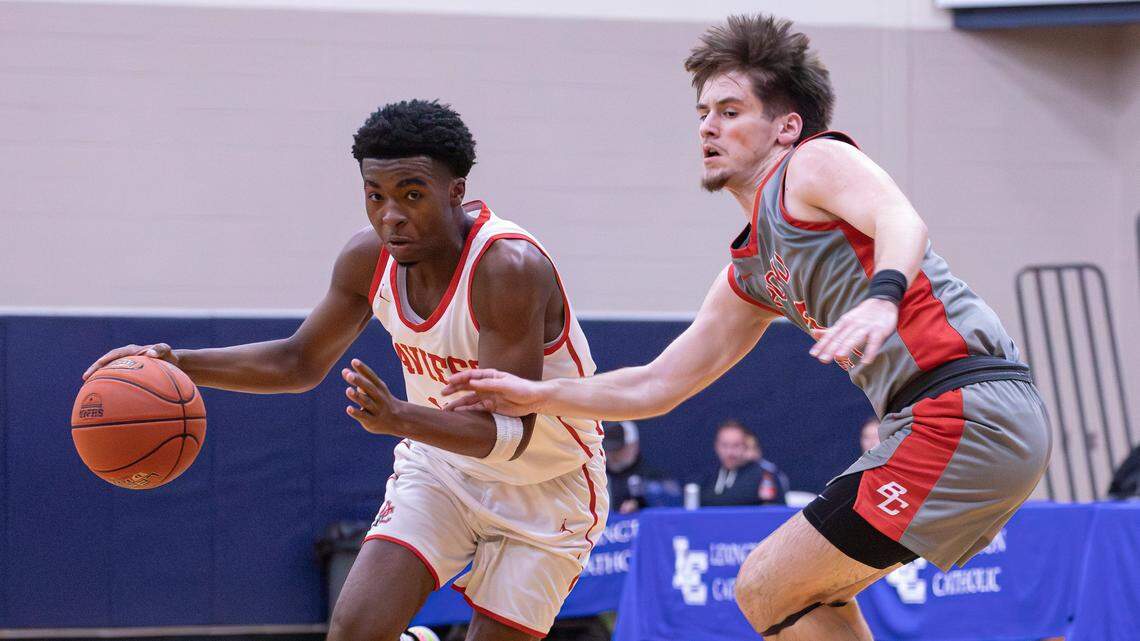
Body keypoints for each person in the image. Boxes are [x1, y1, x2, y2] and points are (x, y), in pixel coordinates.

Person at [442, 15, 1050, 640]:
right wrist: (540, 395)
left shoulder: (813, 162)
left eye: (730, 111)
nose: (708, 125)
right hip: (940, 420)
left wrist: (883, 297)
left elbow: (902, 219)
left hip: (963, 409)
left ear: (786, 126)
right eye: (703, 112)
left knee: (766, 583)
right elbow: (656, 385)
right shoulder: (752, 269)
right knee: (789, 594)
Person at [83, 100, 608, 641]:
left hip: (547, 485)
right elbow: (298, 360)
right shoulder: (367, 258)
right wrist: (180, 364)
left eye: (411, 194)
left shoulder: (507, 267)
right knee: (355, 631)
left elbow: (507, 436)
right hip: (443, 471)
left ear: (456, 191)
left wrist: (400, 417)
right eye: (374, 196)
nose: (390, 215)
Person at [700, 420, 788, 506]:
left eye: (736, 445)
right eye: (724, 445)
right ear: (716, 446)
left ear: (747, 446)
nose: (730, 452)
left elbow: (774, 513)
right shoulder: (706, 477)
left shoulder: (764, 475)